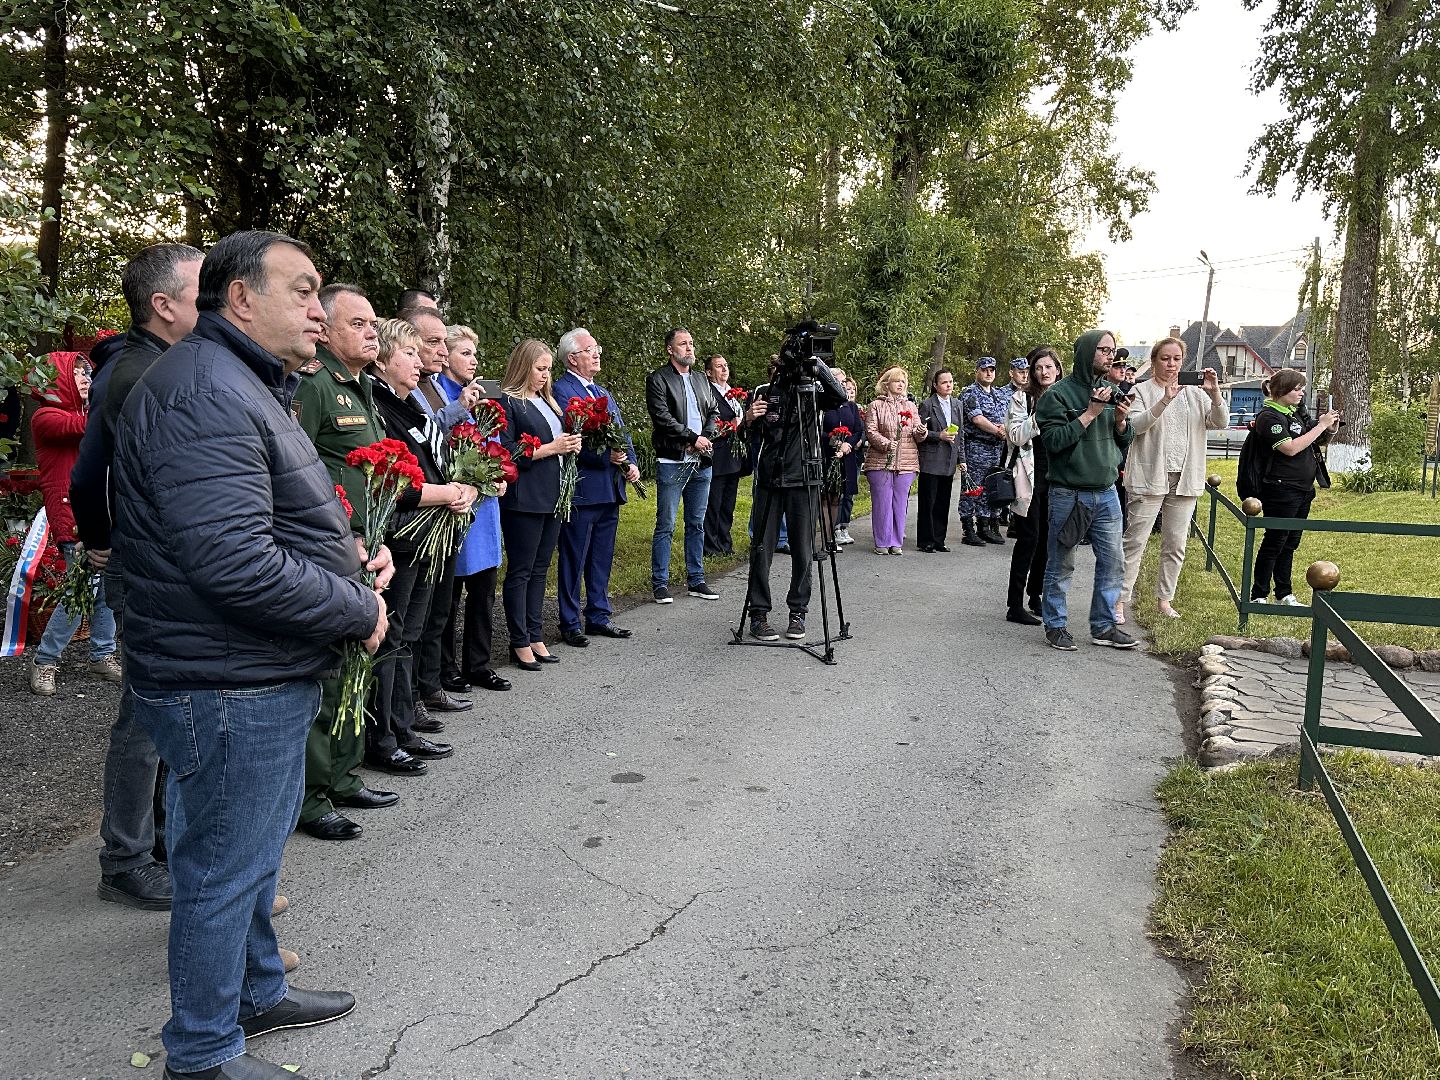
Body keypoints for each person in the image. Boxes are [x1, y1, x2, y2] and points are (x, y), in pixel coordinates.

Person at [111, 230, 391, 1080]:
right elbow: (232, 561)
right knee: (224, 869)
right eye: (303, 291)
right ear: (239, 299)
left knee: (247, 850)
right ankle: (200, 1053)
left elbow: (265, 513)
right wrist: (355, 604)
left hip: (243, 667)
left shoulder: (239, 380)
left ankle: (257, 990)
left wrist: (348, 549)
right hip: (228, 677)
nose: (320, 307)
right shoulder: (205, 390)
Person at [70, 241, 202, 911]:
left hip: (155, 563)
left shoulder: (154, 363)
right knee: (146, 715)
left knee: (161, 708)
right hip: (147, 568)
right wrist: (100, 543)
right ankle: (123, 860)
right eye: (200, 290)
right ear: (163, 305)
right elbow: (88, 471)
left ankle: (152, 842)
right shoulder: (137, 374)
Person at [289, 284, 401, 840]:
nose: (371, 332)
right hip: (328, 547)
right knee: (330, 667)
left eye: (373, 323)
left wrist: (375, 538)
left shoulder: (360, 389)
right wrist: (340, 538)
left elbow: (371, 473)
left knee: (361, 655)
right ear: (327, 330)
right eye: (357, 323)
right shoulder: (313, 387)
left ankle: (343, 773)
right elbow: (295, 477)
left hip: (364, 541)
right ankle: (310, 797)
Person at [364, 319, 473, 777]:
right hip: (402, 535)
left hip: (425, 533)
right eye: (410, 352)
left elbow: (432, 461)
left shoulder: (411, 405)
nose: (419, 361)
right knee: (390, 636)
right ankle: (383, 736)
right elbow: (391, 481)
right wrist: (445, 492)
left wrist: (460, 488)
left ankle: (402, 724)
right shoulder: (380, 405)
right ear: (384, 359)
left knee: (408, 632)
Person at [398, 306, 480, 720]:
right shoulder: (406, 391)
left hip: (443, 506)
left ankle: (428, 687)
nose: (442, 354)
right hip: (419, 513)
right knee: (411, 617)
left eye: (440, 345)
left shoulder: (428, 387)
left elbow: (439, 440)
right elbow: (425, 441)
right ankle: (410, 698)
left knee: (436, 609)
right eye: (432, 344)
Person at [1035, 329, 1136, 651]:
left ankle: (1104, 626)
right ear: (1086, 353)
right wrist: (1090, 413)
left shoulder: (1110, 390)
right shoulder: (1057, 396)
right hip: (1069, 494)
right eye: (1104, 350)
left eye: (1113, 350)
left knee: (1113, 561)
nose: (1111, 356)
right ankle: (1056, 625)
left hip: (1106, 492)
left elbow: (1123, 442)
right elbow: (1052, 442)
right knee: (1061, 563)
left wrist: (1121, 423)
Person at [1116, 337, 1227, 624]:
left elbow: (1220, 422)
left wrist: (1214, 394)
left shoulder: (1195, 394)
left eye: (1176, 359)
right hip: (1149, 475)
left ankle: (1165, 600)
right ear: (1154, 361)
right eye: (1165, 358)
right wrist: (1165, 399)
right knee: (1135, 542)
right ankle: (1119, 600)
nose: (1171, 364)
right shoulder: (1141, 391)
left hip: (1185, 477)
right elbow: (1136, 426)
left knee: (1175, 544)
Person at [28, 353, 121, 694]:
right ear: (58, 380)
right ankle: (45, 660)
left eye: (88, 374)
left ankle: (102, 654)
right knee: (79, 593)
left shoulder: (86, 414)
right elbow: (82, 428)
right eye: (77, 374)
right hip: (74, 520)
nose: (86, 380)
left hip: (101, 515)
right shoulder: (45, 417)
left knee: (105, 592)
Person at [743, 347, 846, 640]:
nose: (784, 375)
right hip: (770, 479)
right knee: (761, 547)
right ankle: (758, 613)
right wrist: (749, 418)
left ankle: (797, 612)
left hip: (805, 478)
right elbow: (744, 436)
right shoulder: (764, 390)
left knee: (803, 549)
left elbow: (840, 396)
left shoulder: (812, 391)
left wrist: (818, 365)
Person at [497, 338, 582, 668]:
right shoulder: (509, 402)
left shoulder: (548, 402)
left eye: (549, 369)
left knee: (540, 569)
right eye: (540, 369)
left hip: (553, 495)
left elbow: (557, 443)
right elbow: (507, 453)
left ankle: (535, 634)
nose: (546, 375)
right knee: (521, 571)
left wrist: (570, 444)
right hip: (524, 498)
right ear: (523, 367)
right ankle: (518, 641)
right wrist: (552, 448)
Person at [553, 327, 639, 646]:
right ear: (573, 358)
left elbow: (621, 431)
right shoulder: (562, 391)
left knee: (601, 555)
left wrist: (630, 462)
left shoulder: (601, 391)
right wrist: (606, 456)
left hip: (610, 487)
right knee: (575, 556)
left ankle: (599, 615)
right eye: (591, 349)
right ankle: (570, 620)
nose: (597, 353)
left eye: (597, 347)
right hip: (584, 488)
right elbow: (572, 437)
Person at [439, 325, 511, 693]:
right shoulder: (440, 394)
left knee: (484, 590)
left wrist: (498, 475)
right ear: (447, 355)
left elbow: (494, 443)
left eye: (474, 354)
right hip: (456, 503)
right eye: (465, 353)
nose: (473, 360)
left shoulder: (482, 396)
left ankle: (478, 664)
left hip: (484, 505)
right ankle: (445, 666)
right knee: (449, 592)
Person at [1245, 369, 1340, 605]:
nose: (1301, 393)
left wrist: (1328, 428)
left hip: (1303, 489)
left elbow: (1312, 440)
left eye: (1302, 388)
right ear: (1281, 390)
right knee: (1275, 541)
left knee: (1290, 543)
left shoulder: (1295, 412)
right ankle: (1259, 594)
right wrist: (1320, 426)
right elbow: (1289, 448)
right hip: (1280, 488)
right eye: (1296, 389)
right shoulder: (1270, 416)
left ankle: (1284, 592)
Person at [645, 327, 719, 603]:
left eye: (691, 343)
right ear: (670, 349)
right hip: (672, 460)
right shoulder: (658, 379)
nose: (689, 348)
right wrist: (691, 438)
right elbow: (662, 417)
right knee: (666, 523)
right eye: (683, 344)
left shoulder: (700, 378)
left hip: (702, 460)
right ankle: (660, 583)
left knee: (696, 523)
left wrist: (705, 438)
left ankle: (696, 580)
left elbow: (713, 411)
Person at [1004, 347, 1062, 625]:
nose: (1043, 372)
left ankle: (1035, 595)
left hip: (1058, 475)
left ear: (1058, 369)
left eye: (1049, 367)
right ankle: (1014, 604)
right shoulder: (1020, 398)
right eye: (1038, 368)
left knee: (1049, 539)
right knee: (1029, 538)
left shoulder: (1065, 396)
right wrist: (1040, 414)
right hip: (1028, 474)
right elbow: (1014, 435)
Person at [862, 366, 925, 555]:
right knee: (882, 503)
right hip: (880, 462)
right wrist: (886, 444)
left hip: (906, 462)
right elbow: (871, 432)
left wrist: (922, 432)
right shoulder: (875, 405)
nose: (901, 384)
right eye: (897, 380)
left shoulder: (911, 406)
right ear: (886, 383)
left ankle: (896, 542)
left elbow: (916, 432)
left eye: (903, 382)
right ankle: (882, 542)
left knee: (900, 504)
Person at [702, 353, 748, 557]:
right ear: (709, 372)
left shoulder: (733, 393)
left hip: (734, 456)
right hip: (718, 454)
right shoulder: (708, 393)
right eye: (719, 367)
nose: (724, 369)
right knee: (714, 502)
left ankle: (724, 541)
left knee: (728, 503)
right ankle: (710, 546)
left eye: (726, 365)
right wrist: (730, 427)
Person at [959, 356, 1008, 545]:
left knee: (989, 488)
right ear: (977, 371)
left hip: (996, 449)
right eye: (984, 369)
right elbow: (977, 419)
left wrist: (1004, 428)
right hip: (976, 447)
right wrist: (998, 431)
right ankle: (968, 529)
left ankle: (984, 526)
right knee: (972, 488)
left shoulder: (998, 394)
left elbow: (1006, 416)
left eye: (992, 370)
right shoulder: (970, 393)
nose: (989, 373)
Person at [916, 367, 965, 552]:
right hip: (931, 460)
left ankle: (939, 539)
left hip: (949, 460)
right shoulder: (927, 404)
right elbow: (919, 432)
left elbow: (962, 435)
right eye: (944, 382)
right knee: (928, 501)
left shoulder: (957, 404)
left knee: (943, 502)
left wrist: (962, 458)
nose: (948, 385)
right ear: (936, 385)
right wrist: (939, 436)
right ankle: (926, 540)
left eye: (951, 381)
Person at [828, 375, 865, 545]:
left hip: (847, 455)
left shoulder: (851, 406)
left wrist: (847, 445)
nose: (843, 386)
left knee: (844, 493)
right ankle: (829, 534)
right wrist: (835, 442)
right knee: (828, 496)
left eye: (844, 383)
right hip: (828, 454)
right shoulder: (825, 404)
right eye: (840, 382)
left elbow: (857, 429)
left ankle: (841, 529)